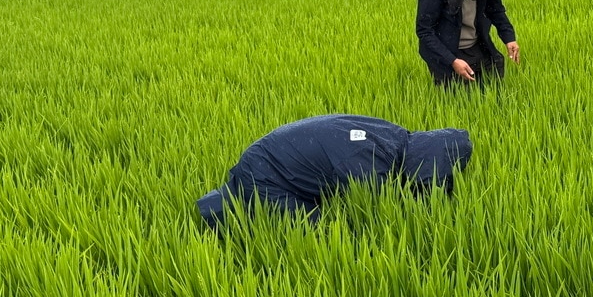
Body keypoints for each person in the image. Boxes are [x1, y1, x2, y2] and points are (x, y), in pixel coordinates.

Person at [196, 114, 472, 227]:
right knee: (315, 231)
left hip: (271, 155)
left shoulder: (395, 137)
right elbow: (376, 213)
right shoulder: (371, 165)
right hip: (265, 174)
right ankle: (211, 220)